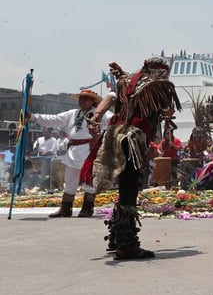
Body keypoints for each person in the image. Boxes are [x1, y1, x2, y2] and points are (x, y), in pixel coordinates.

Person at [86, 58, 181, 260]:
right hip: (133, 138)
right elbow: (169, 111)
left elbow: (111, 97)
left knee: (124, 186)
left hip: (114, 134)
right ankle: (126, 245)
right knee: (130, 186)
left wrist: (96, 116)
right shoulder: (159, 86)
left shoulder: (125, 81)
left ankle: (116, 236)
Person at [28, 89, 112, 217]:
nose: (82, 101)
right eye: (81, 99)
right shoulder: (73, 113)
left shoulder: (101, 114)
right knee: (69, 181)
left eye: (85, 99)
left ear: (93, 101)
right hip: (73, 151)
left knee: (88, 181)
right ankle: (66, 209)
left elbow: (115, 121)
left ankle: (87, 208)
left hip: (90, 150)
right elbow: (54, 119)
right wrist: (33, 117)